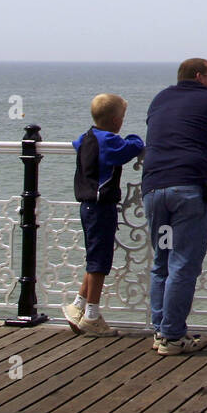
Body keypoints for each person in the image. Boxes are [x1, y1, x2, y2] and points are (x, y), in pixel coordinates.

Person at [141, 58, 207, 355]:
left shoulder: (160, 98)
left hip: (154, 190)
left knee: (161, 261)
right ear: (200, 76)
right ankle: (173, 336)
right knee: (183, 263)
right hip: (186, 190)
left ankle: (160, 329)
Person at [64, 93, 145, 336]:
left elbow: (75, 143)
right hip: (101, 206)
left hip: (86, 206)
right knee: (100, 262)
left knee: (94, 256)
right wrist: (134, 138)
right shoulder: (110, 142)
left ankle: (78, 305)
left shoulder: (86, 138)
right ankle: (92, 315)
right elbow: (132, 146)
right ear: (115, 120)